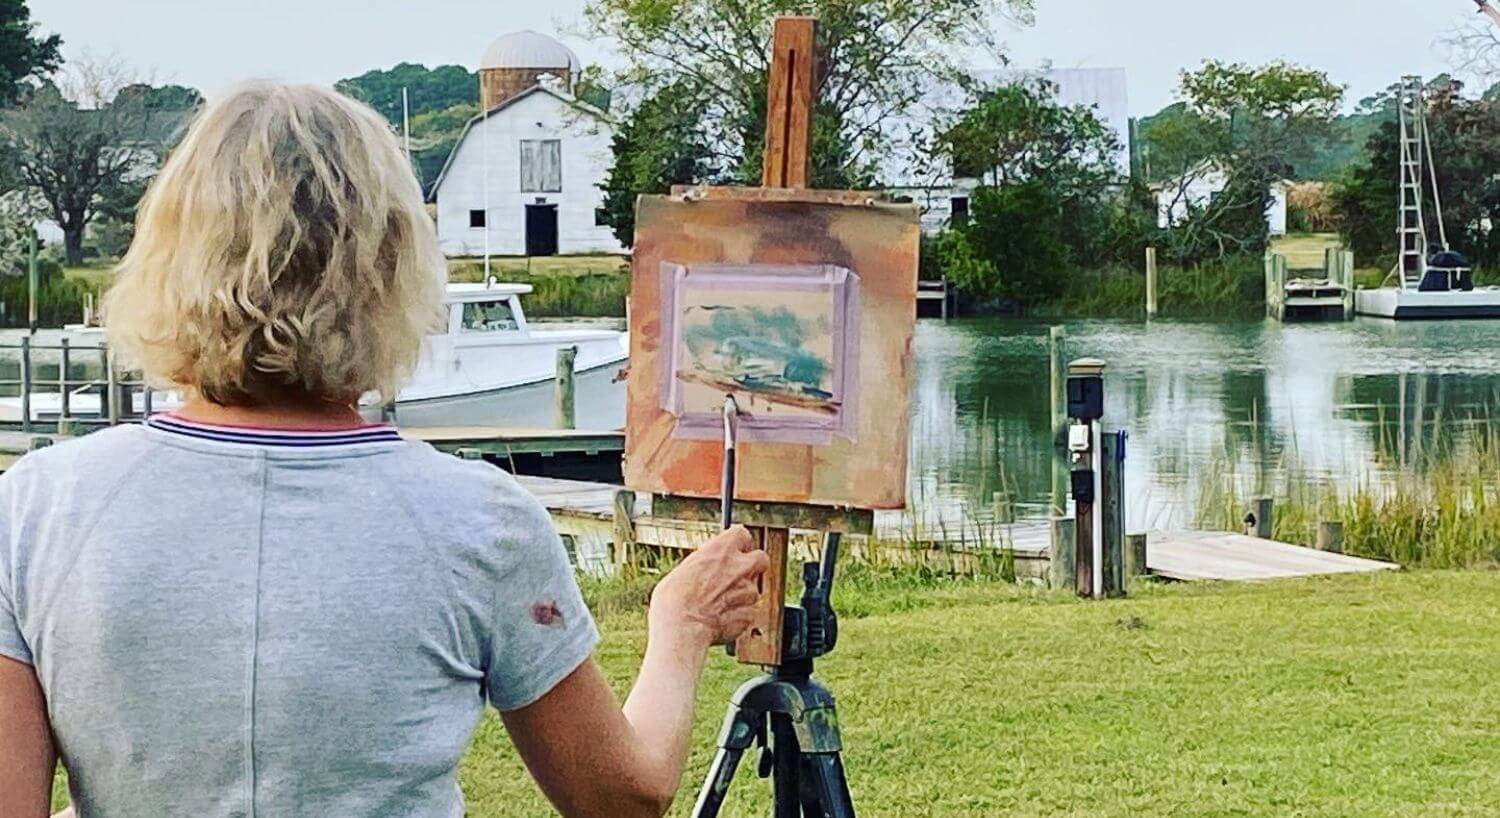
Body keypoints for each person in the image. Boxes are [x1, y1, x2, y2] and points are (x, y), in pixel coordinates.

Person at [0, 82, 768, 818]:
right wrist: (683, 624)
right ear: (390, 263)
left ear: (166, 255)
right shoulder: (480, 520)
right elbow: (621, 799)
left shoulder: (37, 507)